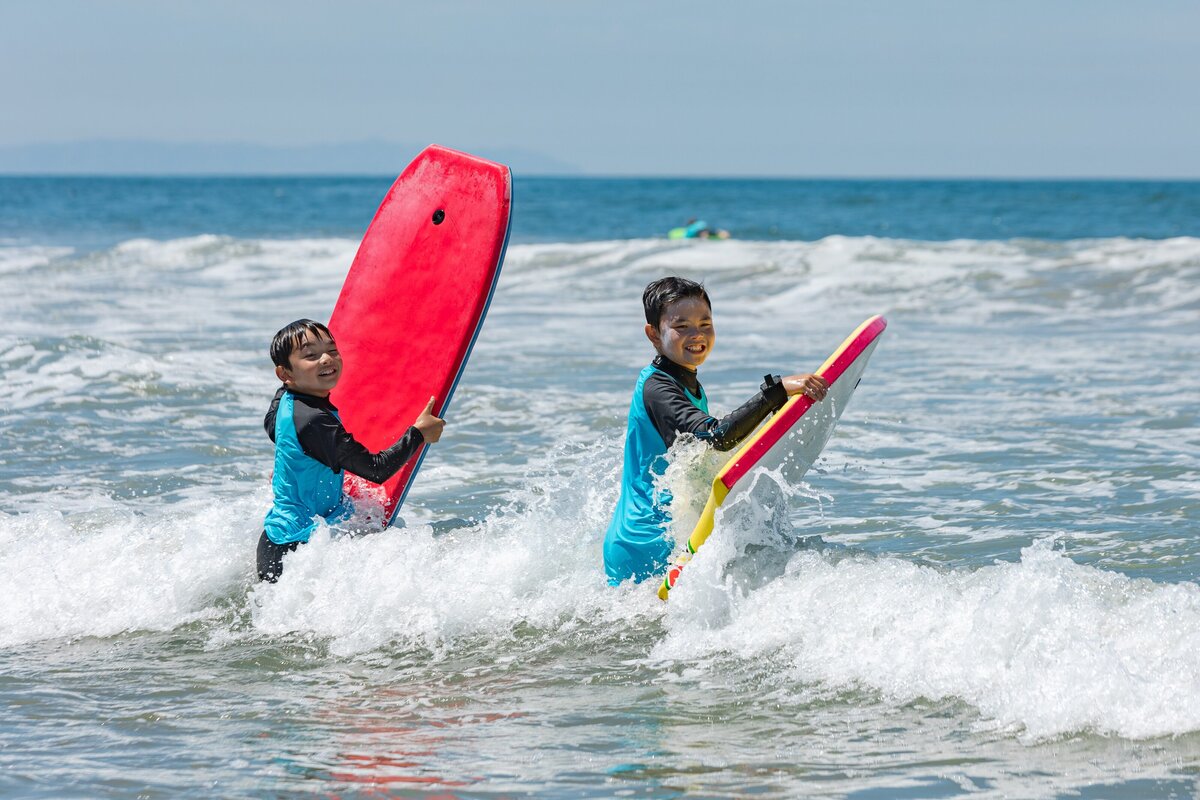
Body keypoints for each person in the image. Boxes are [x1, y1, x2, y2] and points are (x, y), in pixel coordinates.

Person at [603, 277, 828, 585]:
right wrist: (775, 393)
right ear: (654, 335)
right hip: (646, 542)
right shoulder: (659, 389)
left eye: (705, 323)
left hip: (663, 532)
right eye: (681, 327)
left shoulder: (684, 382)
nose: (697, 334)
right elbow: (717, 436)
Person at [257, 319, 445, 582]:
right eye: (311, 355)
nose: (326, 359)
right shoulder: (314, 421)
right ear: (284, 373)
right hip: (297, 553)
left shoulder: (286, 401)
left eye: (332, 350)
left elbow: (273, 429)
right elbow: (376, 470)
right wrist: (418, 434)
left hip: (279, 540)